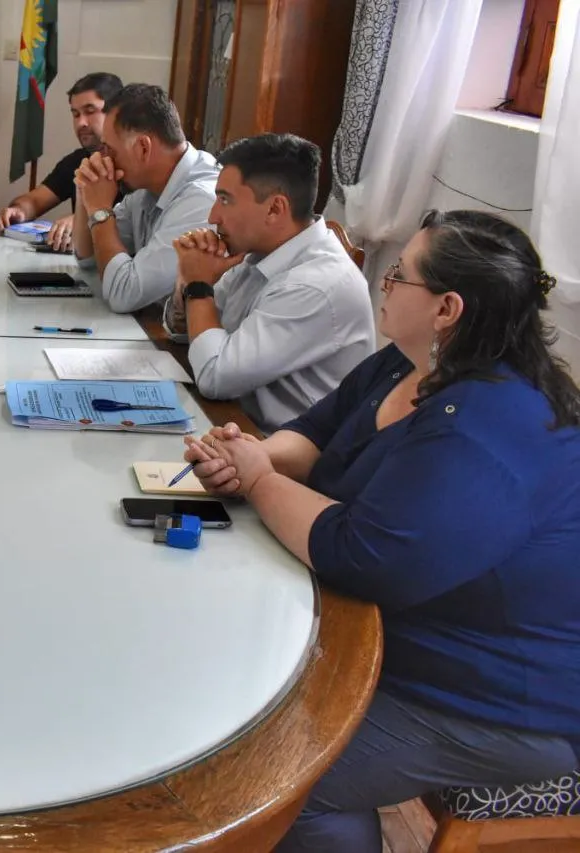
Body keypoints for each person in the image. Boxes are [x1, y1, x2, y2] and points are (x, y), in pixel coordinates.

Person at [183, 210, 580, 853]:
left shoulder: (489, 428)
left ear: (447, 307)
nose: (383, 283)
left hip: (495, 699)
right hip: (402, 642)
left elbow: (360, 555)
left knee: (277, 779)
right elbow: (316, 434)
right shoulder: (405, 364)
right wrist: (254, 455)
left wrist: (258, 480)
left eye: (399, 275)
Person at [163, 133, 374, 432]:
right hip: (231, 424)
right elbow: (184, 335)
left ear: (275, 209)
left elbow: (214, 376)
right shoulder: (260, 253)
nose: (213, 216)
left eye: (225, 200)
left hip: (277, 455)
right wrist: (187, 282)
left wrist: (199, 286)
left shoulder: (315, 285)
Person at [72, 83, 218, 313]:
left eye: (109, 150)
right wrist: (85, 189)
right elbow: (87, 258)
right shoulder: (146, 188)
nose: (104, 158)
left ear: (142, 148)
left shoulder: (202, 201)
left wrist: (100, 209)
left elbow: (124, 294)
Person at [0, 72, 124, 252]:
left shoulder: (133, 165)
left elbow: (131, 223)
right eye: (75, 114)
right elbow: (35, 201)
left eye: (90, 112)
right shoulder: (77, 161)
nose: (81, 123)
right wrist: (19, 211)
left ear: (116, 112)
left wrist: (80, 221)